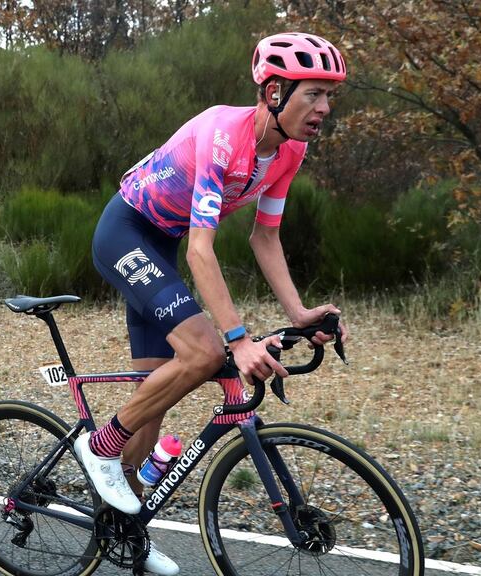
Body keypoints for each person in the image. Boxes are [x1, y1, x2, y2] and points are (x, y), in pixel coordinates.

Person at [77, 32, 352, 575]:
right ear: (274, 91)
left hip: (162, 245)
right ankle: (99, 446)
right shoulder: (224, 136)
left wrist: (299, 314)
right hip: (126, 232)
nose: (324, 109)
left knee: (152, 407)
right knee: (206, 353)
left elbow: (264, 238)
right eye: (313, 94)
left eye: (329, 97)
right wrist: (238, 336)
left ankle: (125, 530)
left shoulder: (289, 151)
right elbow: (203, 249)